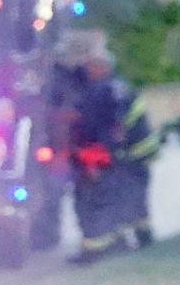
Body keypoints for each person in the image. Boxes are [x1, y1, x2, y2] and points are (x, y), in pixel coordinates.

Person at [65, 43, 158, 263]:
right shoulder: (118, 87)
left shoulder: (101, 91)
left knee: (98, 200)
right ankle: (138, 238)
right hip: (137, 154)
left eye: (91, 65)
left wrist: (97, 162)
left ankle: (94, 251)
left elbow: (107, 129)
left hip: (123, 155)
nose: (87, 70)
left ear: (102, 67)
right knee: (131, 198)